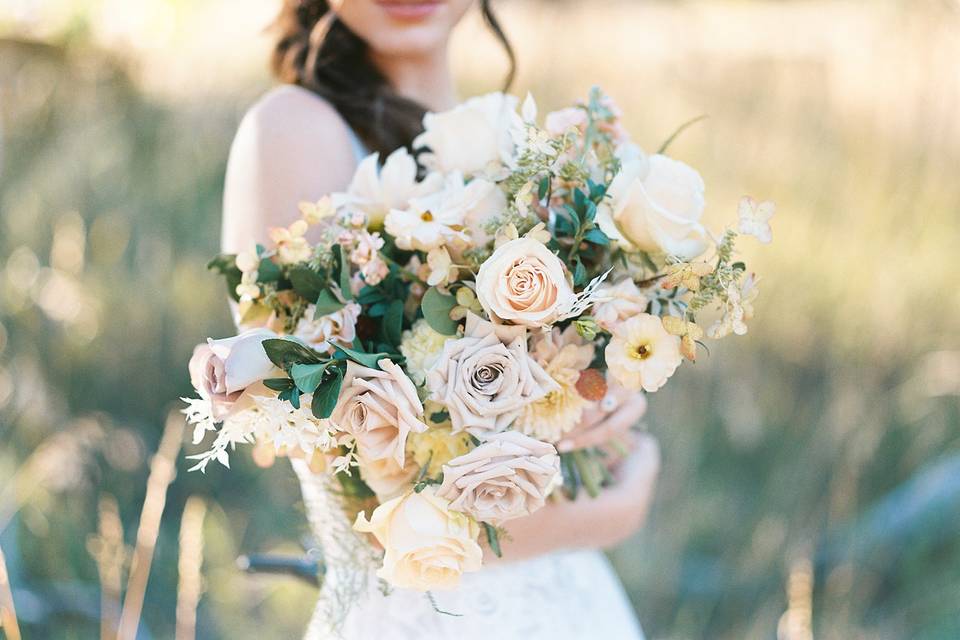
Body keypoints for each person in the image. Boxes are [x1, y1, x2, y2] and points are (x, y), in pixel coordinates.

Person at [221, 1, 660, 638]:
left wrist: (601, 409)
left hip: (563, 602)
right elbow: (368, 505)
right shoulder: (295, 128)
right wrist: (612, 512)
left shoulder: (505, 149)